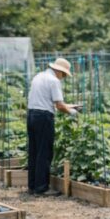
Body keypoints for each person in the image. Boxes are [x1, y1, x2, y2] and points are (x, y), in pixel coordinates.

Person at [26, 58, 79, 195]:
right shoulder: (54, 81)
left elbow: (46, 100)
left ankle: (32, 186)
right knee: (45, 152)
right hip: (44, 118)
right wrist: (72, 112)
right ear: (59, 71)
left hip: (31, 115)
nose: (64, 78)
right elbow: (59, 105)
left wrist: (68, 106)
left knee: (34, 151)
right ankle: (42, 188)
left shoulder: (39, 76)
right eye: (64, 75)